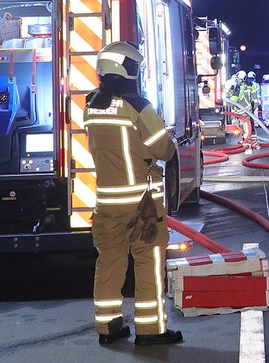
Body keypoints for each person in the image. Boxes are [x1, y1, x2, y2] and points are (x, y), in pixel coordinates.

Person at [84, 41, 183, 347]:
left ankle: (108, 326)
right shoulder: (139, 106)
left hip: (106, 202)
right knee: (148, 261)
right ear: (127, 69)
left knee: (109, 263)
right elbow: (163, 148)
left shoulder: (91, 105)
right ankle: (151, 331)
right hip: (141, 203)